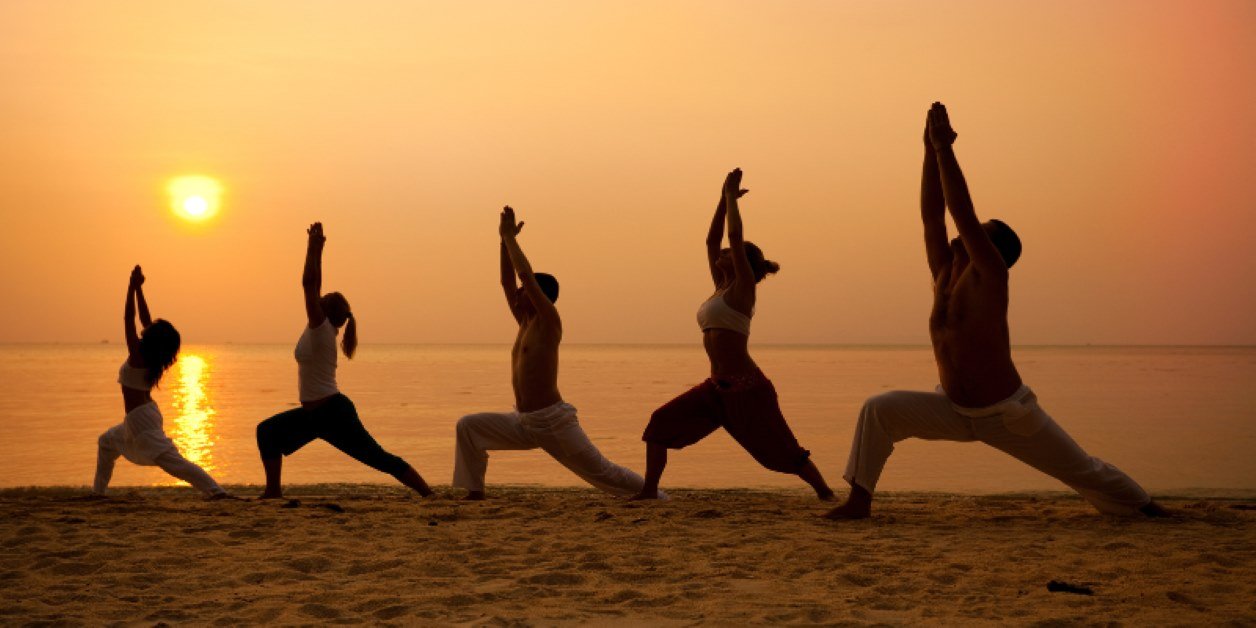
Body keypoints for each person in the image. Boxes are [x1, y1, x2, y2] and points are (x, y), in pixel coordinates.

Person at [824, 103, 1166, 519]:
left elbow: (960, 213)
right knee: (879, 409)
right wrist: (927, 151)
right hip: (953, 409)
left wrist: (945, 149)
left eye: (977, 236)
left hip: (1006, 415)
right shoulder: (944, 275)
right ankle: (859, 503)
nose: (959, 237)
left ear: (990, 251)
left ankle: (1147, 509)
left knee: (1085, 471)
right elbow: (932, 217)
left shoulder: (990, 276)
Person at [632, 169, 836, 501]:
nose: (722, 254)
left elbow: (735, 238)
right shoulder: (719, 287)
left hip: (748, 389)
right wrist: (721, 200)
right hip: (715, 388)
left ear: (743, 263)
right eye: (724, 253)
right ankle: (649, 491)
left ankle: (825, 493)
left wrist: (731, 198)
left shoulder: (743, 289)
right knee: (660, 424)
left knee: (781, 451)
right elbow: (711, 241)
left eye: (729, 253)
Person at [452, 206, 651, 499]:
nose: (517, 293)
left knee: (603, 472)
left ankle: (654, 495)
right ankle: (474, 492)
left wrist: (511, 239)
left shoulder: (548, 321)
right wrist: (502, 241)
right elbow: (507, 281)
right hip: (523, 421)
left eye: (524, 291)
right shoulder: (525, 322)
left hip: (552, 421)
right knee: (469, 427)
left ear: (538, 296)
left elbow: (524, 276)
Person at [256, 222, 433, 500]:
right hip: (315, 415)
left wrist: (311, 248)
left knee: (377, 457)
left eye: (323, 299)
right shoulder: (321, 329)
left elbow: (309, 284)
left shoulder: (321, 330)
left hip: (332, 414)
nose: (318, 297)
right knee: (267, 432)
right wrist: (319, 249)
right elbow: (316, 285)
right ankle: (273, 492)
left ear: (325, 311)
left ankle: (428, 494)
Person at [93, 265, 229, 499]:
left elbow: (129, 318)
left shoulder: (138, 355)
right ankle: (98, 493)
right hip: (140, 416)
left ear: (153, 340)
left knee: (173, 462)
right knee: (106, 442)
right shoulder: (150, 357)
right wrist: (139, 289)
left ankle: (216, 491)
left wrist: (130, 287)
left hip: (142, 419)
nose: (147, 327)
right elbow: (145, 319)